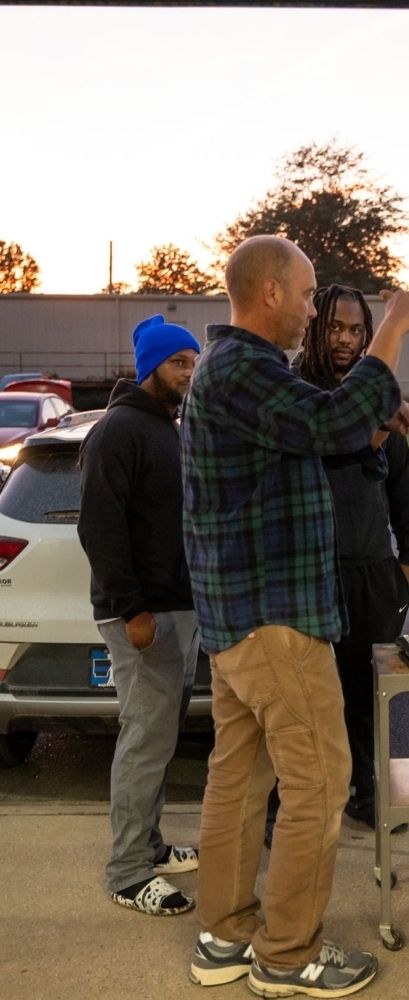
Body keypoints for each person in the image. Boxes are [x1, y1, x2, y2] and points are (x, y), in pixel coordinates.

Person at [180, 235, 409, 997]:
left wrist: (381, 423)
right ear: (267, 293)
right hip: (274, 620)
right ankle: (288, 956)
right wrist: (390, 328)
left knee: (240, 777)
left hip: (245, 620)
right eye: (304, 294)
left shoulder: (238, 374)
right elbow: (331, 423)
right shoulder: (242, 369)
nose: (311, 309)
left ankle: (223, 937)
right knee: (322, 783)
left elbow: (323, 434)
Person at [77, 314, 202, 916]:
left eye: (193, 363)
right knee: (146, 741)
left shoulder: (168, 429)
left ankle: (149, 846)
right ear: (151, 365)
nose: (188, 373)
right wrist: (133, 609)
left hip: (177, 607)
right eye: (179, 363)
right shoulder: (119, 430)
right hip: (144, 614)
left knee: (161, 737)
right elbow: (99, 528)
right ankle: (128, 871)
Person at [291, 283, 409, 831]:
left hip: (372, 577)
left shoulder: (378, 399)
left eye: (356, 330)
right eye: (335, 327)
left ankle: (367, 797)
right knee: (305, 708)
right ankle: (290, 810)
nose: (345, 339)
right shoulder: (295, 398)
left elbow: (402, 495)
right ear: (313, 328)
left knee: (368, 701)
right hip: (310, 577)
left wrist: (405, 567)